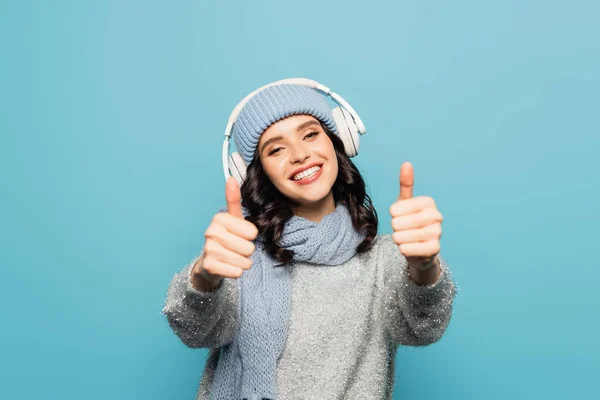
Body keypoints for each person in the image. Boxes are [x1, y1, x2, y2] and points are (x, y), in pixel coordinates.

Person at [161, 79, 457, 400]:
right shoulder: (238, 253)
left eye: (310, 134)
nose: (300, 154)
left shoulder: (383, 261)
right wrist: (204, 277)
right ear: (256, 173)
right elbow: (193, 329)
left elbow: (423, 329)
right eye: (276, 149)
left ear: (338, 140)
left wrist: (425, 269)